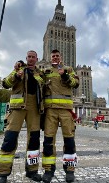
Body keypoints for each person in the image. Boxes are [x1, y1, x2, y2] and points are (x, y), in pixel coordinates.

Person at [0, 51, 44, 183]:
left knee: (34, 140)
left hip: (34, 108)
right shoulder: (18, 69)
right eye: (29, 57)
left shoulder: (40, 74)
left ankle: (32, 171)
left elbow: (44, 88)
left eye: (33, 57)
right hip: (17, 108)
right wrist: (16, 76)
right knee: (10, 139)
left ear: (37, 59)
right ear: (26, 58)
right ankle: (3, 173)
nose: (31, 59)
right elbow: (5, 83)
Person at [42, 49, 79, 183]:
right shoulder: (45, 71)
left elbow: (76, 84)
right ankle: (48, 170)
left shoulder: (68, 69)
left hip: (66, 110)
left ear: (61, 57)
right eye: (53, 56)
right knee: (48, 141)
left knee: (69, 141)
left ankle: (70, 170)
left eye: (57, 56)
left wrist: (65, 76)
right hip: (50, 111)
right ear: (50, 57)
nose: (56, 58)